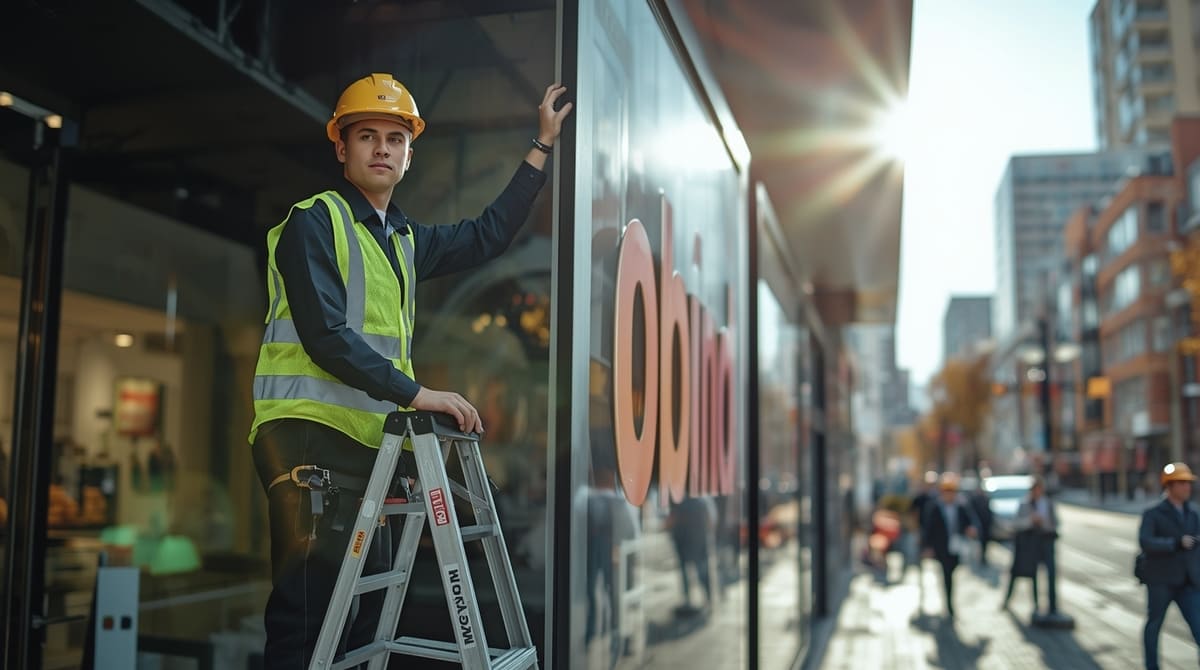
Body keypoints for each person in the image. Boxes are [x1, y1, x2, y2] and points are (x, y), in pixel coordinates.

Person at [248, 72, 572, 668]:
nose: (381, 148)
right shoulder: (313, 223)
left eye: (394, 139)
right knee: (308, 628)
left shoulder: (401, 239)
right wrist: (417, 393)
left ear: (408, 154)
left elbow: (487, 236)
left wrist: (542, 144)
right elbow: (325, 337)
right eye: (366, 135)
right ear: (341, 147)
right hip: (308, 443)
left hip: (369, 454)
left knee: (359, 628)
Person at [1139, 462, 1200, 670]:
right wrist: (1175, 543)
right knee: (1154, 626)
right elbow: (1146, 542)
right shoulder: (1153, 513)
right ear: (1170, 486)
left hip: (1188, 582)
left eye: (1188, 483)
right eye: (1182, 483)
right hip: (1161, 581)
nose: (1187, 487)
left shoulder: (1193, 514)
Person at [921, 472, 977, 617]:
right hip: (942, 546)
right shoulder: (935, 507)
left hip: (957, 546)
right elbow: (929, 528)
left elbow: (970, 522)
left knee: (952, 571)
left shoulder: (961, 506)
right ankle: (949, 603)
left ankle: (950, 599)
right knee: (946, 574)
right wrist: (927, 546)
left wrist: (970, 530)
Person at [1001, 476, 1057, 613]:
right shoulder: (1025, 504)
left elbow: (1055, 523)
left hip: (1046, 541)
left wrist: (1044, 523)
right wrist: (1030, 521)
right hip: (1029, 543)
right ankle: (1034, 603)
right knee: (1029, 573)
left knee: (1051, 573)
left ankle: (1052, 606)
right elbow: (1015, 524)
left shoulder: (1048, 503)